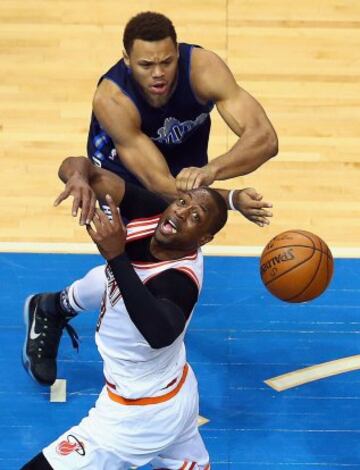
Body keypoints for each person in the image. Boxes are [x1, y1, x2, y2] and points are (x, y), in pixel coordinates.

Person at [23, 10, 278, 386]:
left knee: (149, 267)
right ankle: (57, 309)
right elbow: (159, 186)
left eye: (166, 61)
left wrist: (213, 174)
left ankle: (53, 305)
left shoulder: (203, 68)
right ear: (127, 61)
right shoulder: (113, 99)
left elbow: (265, 139)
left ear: (178, 52)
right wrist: (227, 199)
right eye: (145, 65)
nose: (158, 73)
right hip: (130, 173)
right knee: (140, 267)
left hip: (189, 171)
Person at [22, 158, 229, 469]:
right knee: (112, 278)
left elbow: (159, 333)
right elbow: (78, 166)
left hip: (138, 413)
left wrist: (117, 256)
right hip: (176, 387)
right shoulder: (153, 213)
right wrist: (79, 178)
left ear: (203, 239)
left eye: (195, 216)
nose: (181, 212)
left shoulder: (179, 282)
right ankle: (53, 307)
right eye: (183, 202)